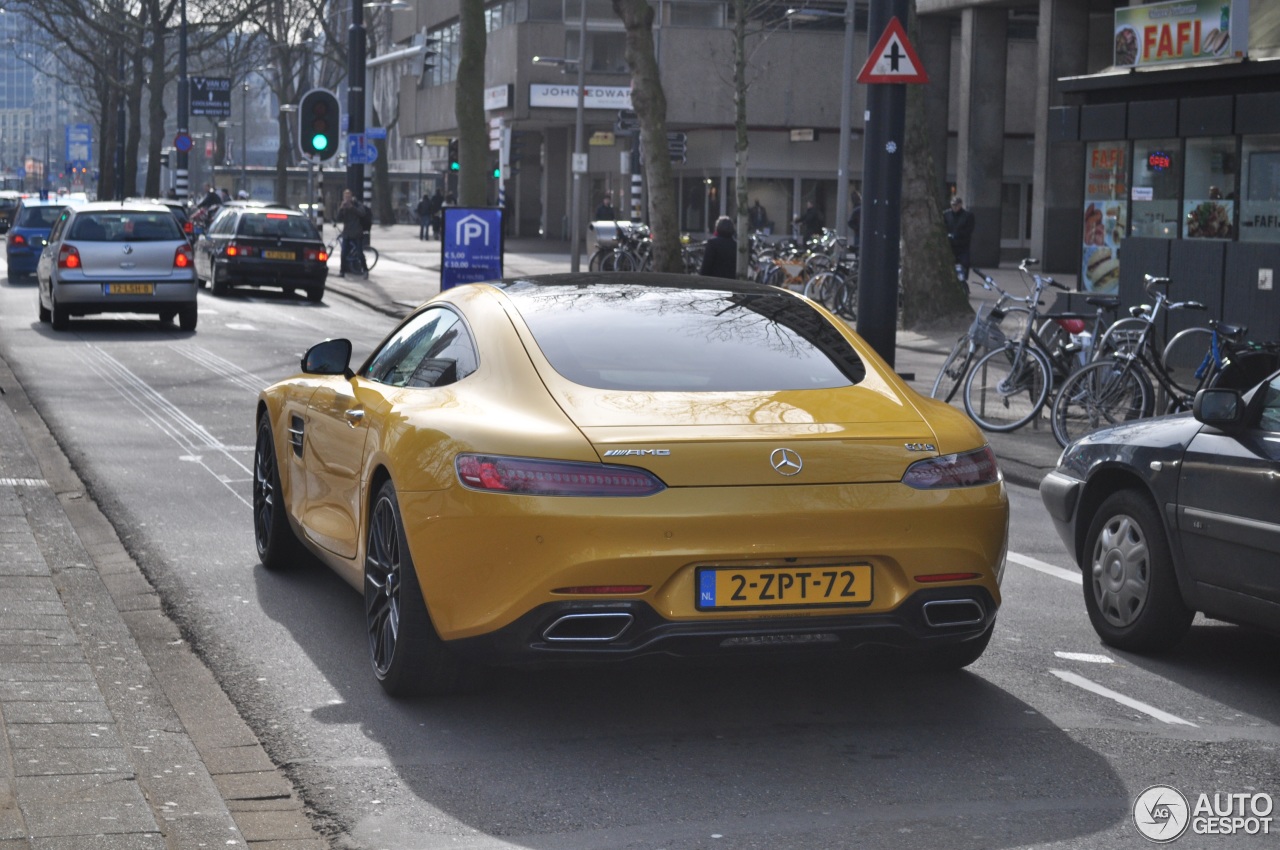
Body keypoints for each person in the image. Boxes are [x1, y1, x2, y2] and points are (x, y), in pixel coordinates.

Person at [336, 189, 372, 277]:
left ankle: (365, 270)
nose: (347, 199)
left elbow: (362, 213)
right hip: (347, 233)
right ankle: (342, 271)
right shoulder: (343, 206)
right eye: (345, 197)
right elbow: (338, 218)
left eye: (348, 197)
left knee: (359, 253)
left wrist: (351, 207)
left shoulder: (357, 204)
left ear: (351, 197)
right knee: (343, 253)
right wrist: (341, 209)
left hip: (357, 233)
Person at [943, 195, 975, 285]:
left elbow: (969, 230)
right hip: (950, 245)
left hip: (962, 245)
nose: (955, 207)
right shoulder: (946, 214)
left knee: (964, 264)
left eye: (956, 205)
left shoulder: (968, 216)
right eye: (953, 205)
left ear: (960, 205)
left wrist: (958, 235)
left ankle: (962, 281)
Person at [699, 216, 737, 280]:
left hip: (714, 281)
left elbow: (706, 266)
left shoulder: (712, 243)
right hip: (731, 282)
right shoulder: (735, 245)